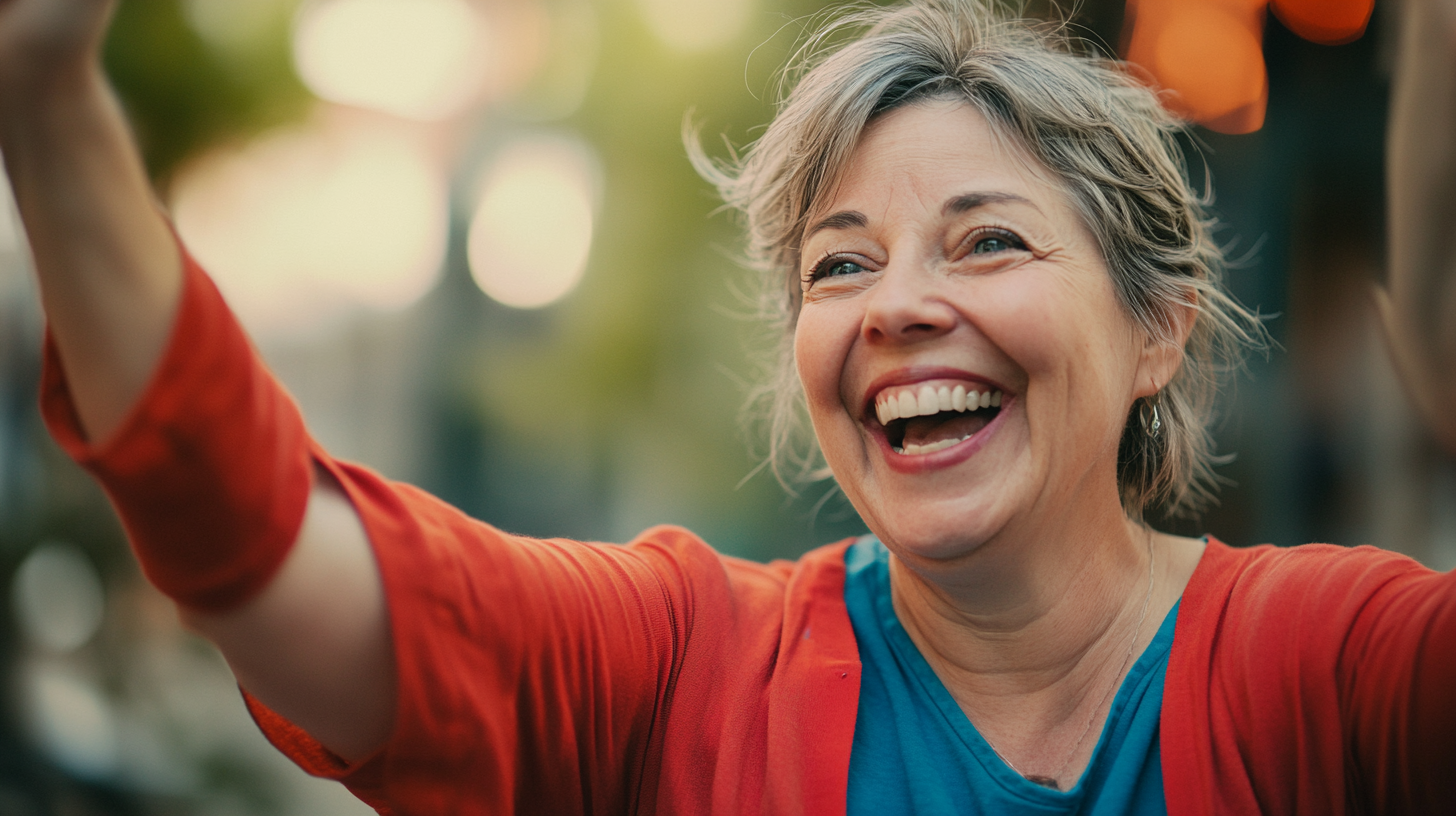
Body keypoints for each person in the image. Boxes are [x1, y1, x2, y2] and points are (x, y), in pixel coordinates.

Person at [0, 0, 1452, 813]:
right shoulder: (681, 670)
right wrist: (51, 95)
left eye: (988, 239)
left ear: (1156, 330)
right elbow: (268, 559)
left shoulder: (1337, 672)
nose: (895, 307)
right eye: (841, 265)